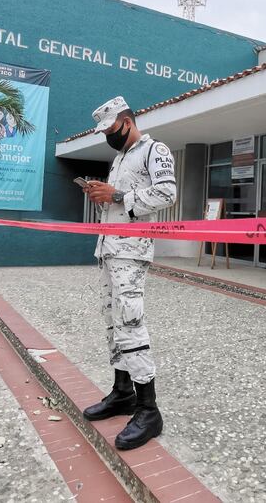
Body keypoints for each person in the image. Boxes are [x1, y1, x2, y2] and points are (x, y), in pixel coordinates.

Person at [81, 96, 177, 450]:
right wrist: (104, 195)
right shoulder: (120, 158)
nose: (108, 137)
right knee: (111, 320)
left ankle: (149, 408)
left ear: (126, 121)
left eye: (110, 130)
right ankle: (123, 391)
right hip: (109, 249)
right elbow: (120, 198)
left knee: (130, 321)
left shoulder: (155, 150)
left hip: (132, 252)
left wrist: (119, 195)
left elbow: (168, 193)